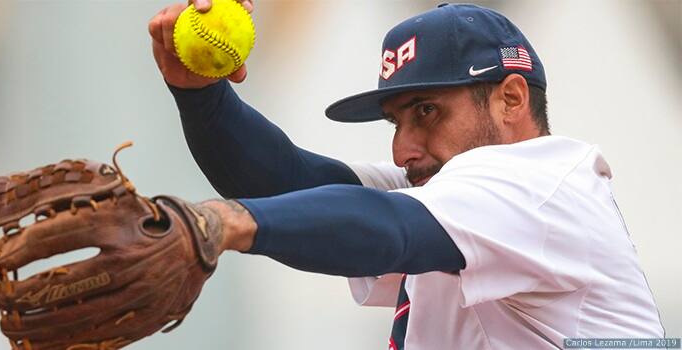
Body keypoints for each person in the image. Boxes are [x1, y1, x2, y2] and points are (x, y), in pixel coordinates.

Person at [149, 2, 665, 348]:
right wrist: (200, 95)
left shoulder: (542, 185)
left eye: (426, 111)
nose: (401, 150)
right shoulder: (449, 191)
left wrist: (227, 222)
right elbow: (286, 181)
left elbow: (386, 228)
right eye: (396, 121)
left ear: (511, 98)